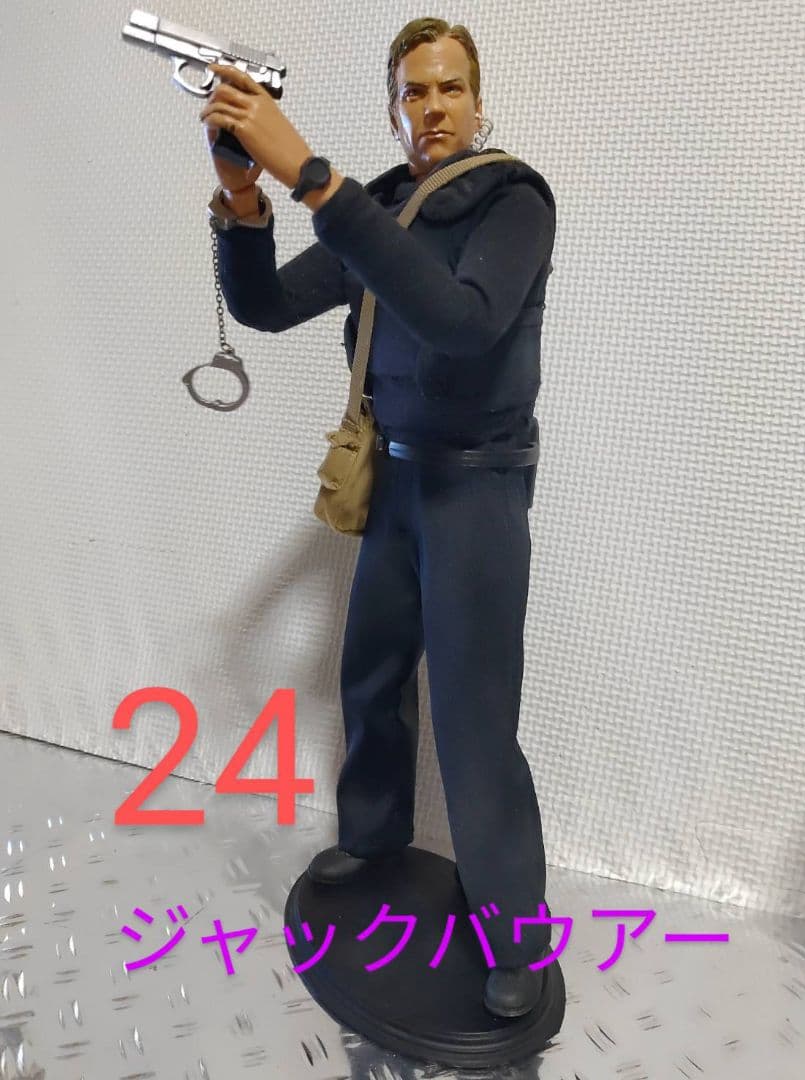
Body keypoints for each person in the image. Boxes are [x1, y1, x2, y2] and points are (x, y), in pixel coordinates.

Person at [202, 16, 556, 1018]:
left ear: (478, 101)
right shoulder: (386, 208)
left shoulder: (513, 201)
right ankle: (371, 837)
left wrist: (315, 181)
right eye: (413, 92)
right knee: (370, 671)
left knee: (475, 716)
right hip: (394, 479)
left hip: (477, 489)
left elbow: (461, 319)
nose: (432, 108)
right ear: (394, 109)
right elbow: (267, 305)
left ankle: (515, 935)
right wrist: (243, 198)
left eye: (449, 89)